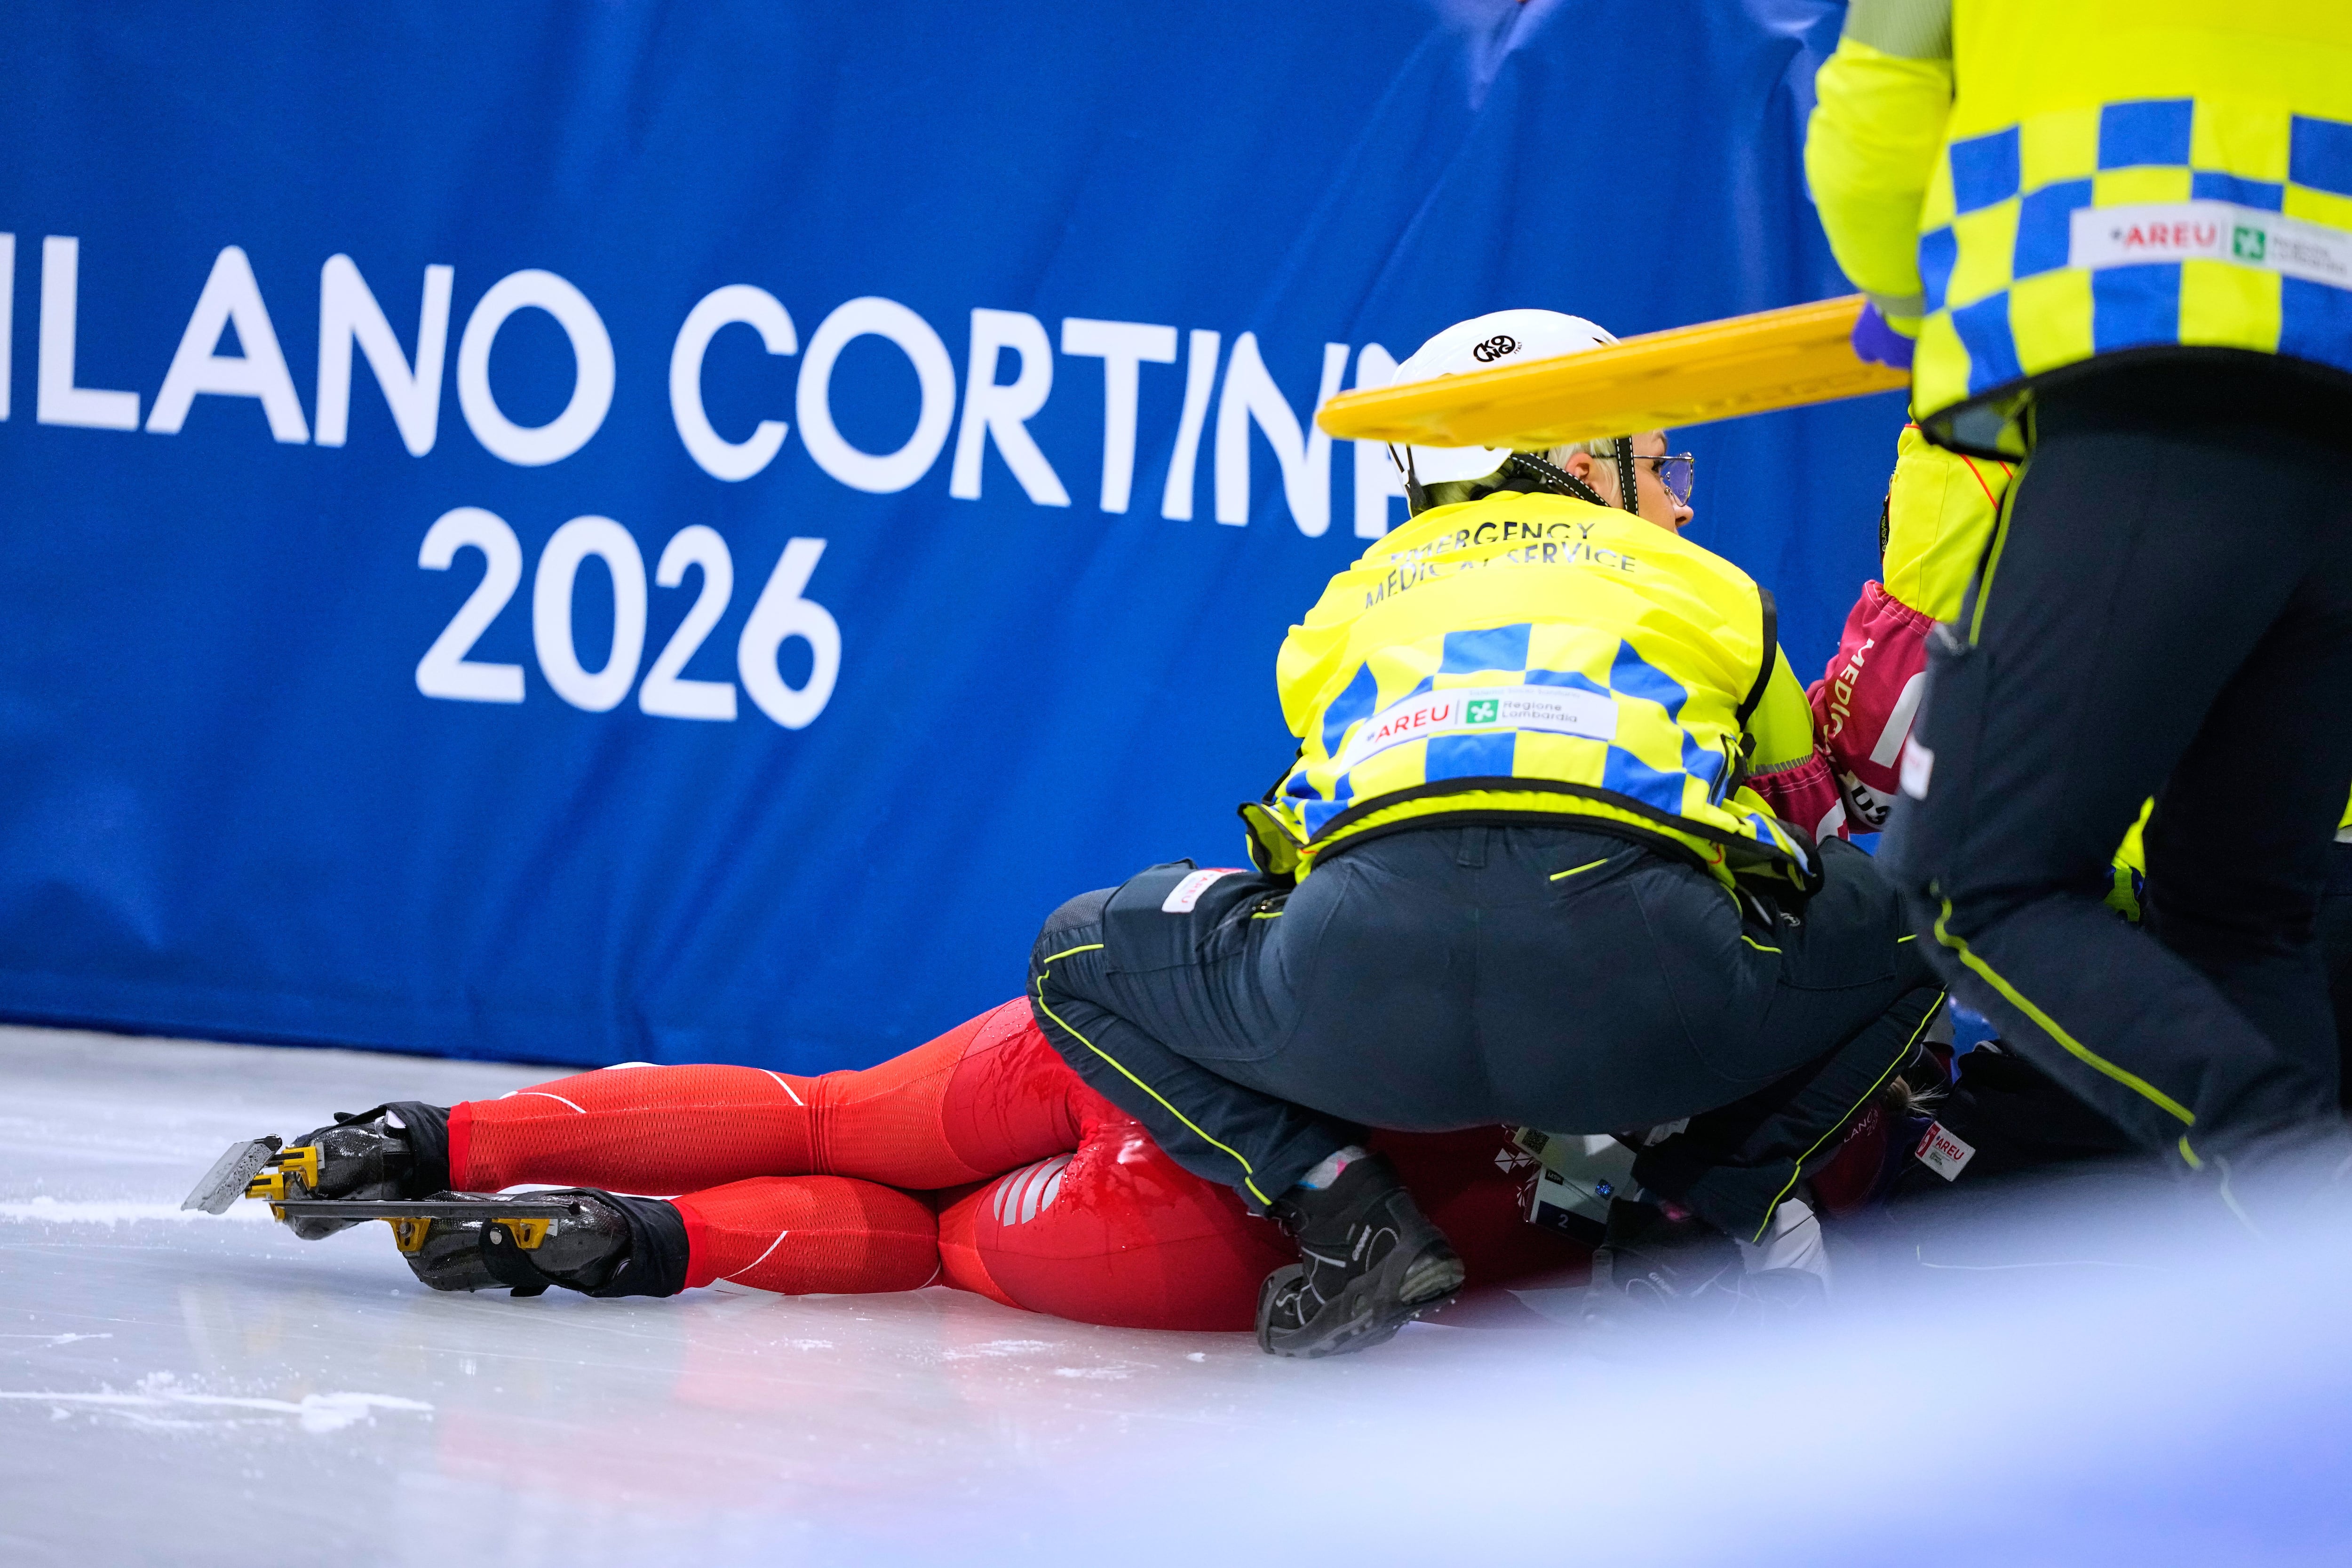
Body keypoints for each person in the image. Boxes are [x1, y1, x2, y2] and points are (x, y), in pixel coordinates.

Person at [1026, 310, 1945, 1359]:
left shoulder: (1345, 602)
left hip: (1365, 1015)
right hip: (1647, 1016)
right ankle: (1690, 1217)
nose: (1683, 500)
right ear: (1579, 463)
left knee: (1072, 954)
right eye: (1659, 464)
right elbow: (1808, 822)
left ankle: (1343, 1209)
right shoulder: (1718, 591)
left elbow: (1301, 840)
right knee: (1938, 908)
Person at [1806, 0, 2352, 1198]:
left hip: (2147, 364)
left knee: (1973, 880)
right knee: (2241, 919)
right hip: (2328, 426)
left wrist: (1907, 287)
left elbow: (1874, 115)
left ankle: (2303, 1193)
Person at [256, 997, 1583, 1329]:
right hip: (1214, 1211)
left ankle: (428, 1137)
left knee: (831, 1116)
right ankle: (637, 1233)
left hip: (1153, 1038)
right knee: (941, 1240)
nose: (1680, 488)